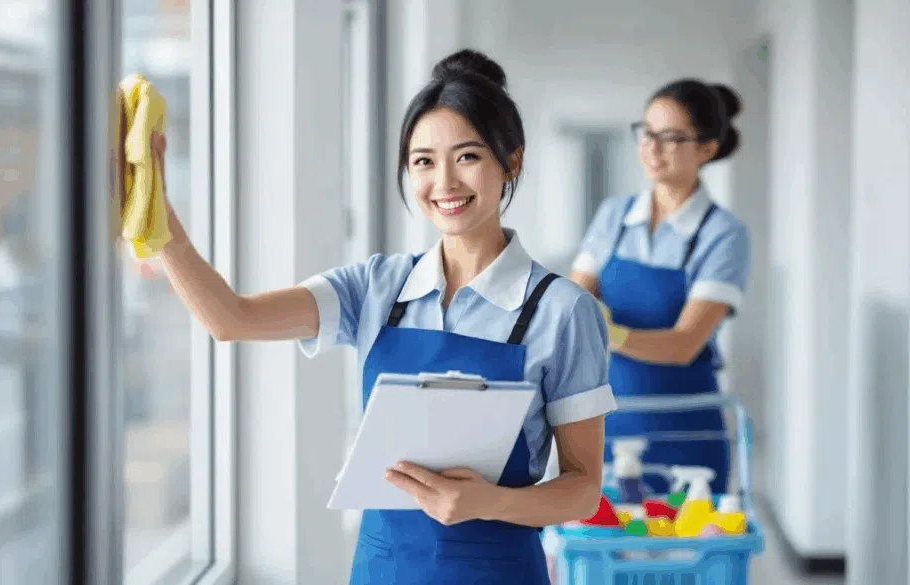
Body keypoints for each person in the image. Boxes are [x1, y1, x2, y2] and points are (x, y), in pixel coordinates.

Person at [146, 49, 616, 584]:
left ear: (512, 161)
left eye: (467, 157)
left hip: (495, 570)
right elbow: (232, 318)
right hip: (382, 569)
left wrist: (488, 501)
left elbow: (582, 490)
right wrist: (158, 217)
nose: (444, 182)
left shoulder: (562, 310)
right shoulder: (376, 286)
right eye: (422, 161)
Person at [568, 79, 751, 496]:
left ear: (706, 148)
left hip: (684, 427)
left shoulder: (723, 235)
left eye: (670, 138)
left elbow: (684, 343)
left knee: (687, 553)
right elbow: (575, 299)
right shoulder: (614, 215)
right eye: (647, 133)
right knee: (604, 551)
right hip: (606, 421)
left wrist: (607, 332)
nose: (652, 148)